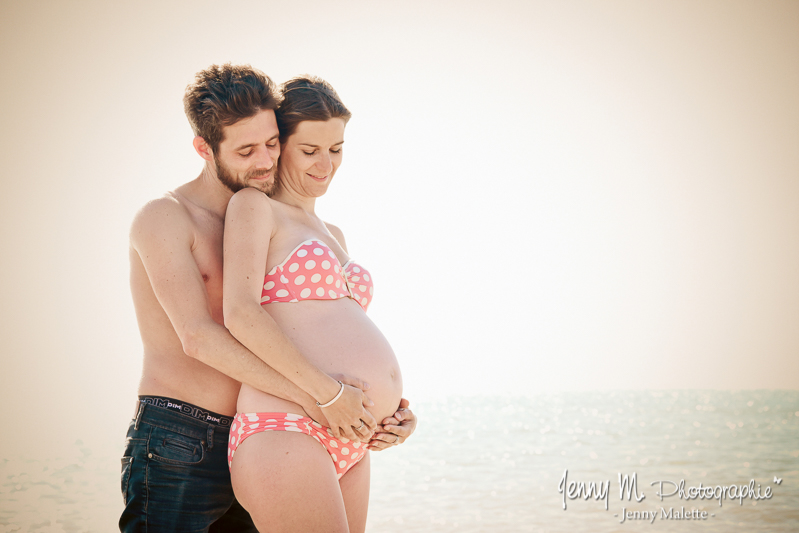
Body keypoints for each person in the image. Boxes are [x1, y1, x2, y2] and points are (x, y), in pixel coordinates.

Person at [120, 64, 417, 532]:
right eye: (245, 150)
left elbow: (320, 329)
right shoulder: (166, 217)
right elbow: (200, 338)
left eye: (272, 143)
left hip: (291, 421)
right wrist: (324, 395)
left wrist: (379, 408)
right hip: (185, 432)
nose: (264, 161)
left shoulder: (279, 220)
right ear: (204, 148)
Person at [222, 76, 404, 533]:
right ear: (279, 145)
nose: (327, 164)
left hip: (351, 436)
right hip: (286, 425)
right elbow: (240, 314)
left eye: (337, 149)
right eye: (310, 151)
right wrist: (332, 394)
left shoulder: (333, 234)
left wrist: (394, 411)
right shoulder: (254, 207)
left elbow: (333, 329)